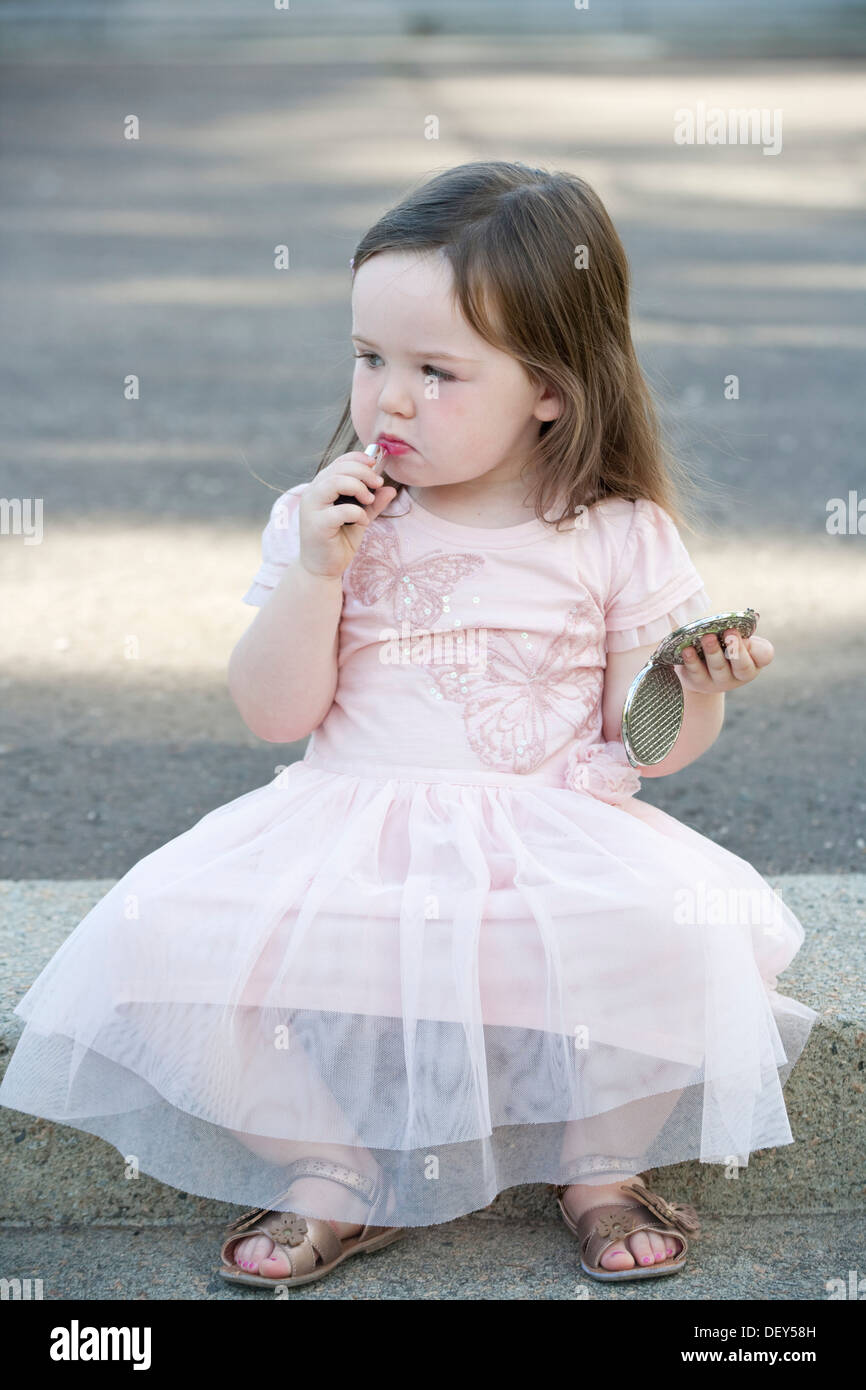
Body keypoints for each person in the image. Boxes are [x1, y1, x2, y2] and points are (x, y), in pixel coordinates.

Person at [0, 161, 817, 1287]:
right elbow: (273, 712)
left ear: (551, 387)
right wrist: (314, 577)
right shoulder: (323, 519)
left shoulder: (614, 533)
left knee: (677, 935)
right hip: (351, 834)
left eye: (436, 371)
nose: (387, 398)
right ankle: (330, 1168)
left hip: (543, 841)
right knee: (158, 937)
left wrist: (701, 686)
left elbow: (647, 748)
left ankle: (599, 1165)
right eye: (369, 357)